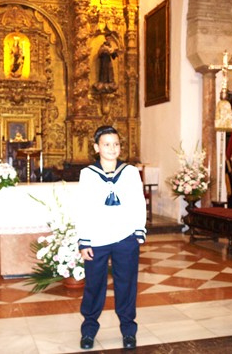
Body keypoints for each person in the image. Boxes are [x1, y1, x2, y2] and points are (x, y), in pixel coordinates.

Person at [76, 125, 147, 351]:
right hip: (96, 239)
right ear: (97, 147)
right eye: (106, 144)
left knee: (126, 285)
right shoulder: (88, 174)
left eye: (116, 144)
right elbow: (83, 208)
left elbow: (138, 201)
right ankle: (88, 330)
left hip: (125, 238)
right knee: (94, 286)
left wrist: (139, 230)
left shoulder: (130, 172)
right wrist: (84, 240)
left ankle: (128, 331)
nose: (112, 148)